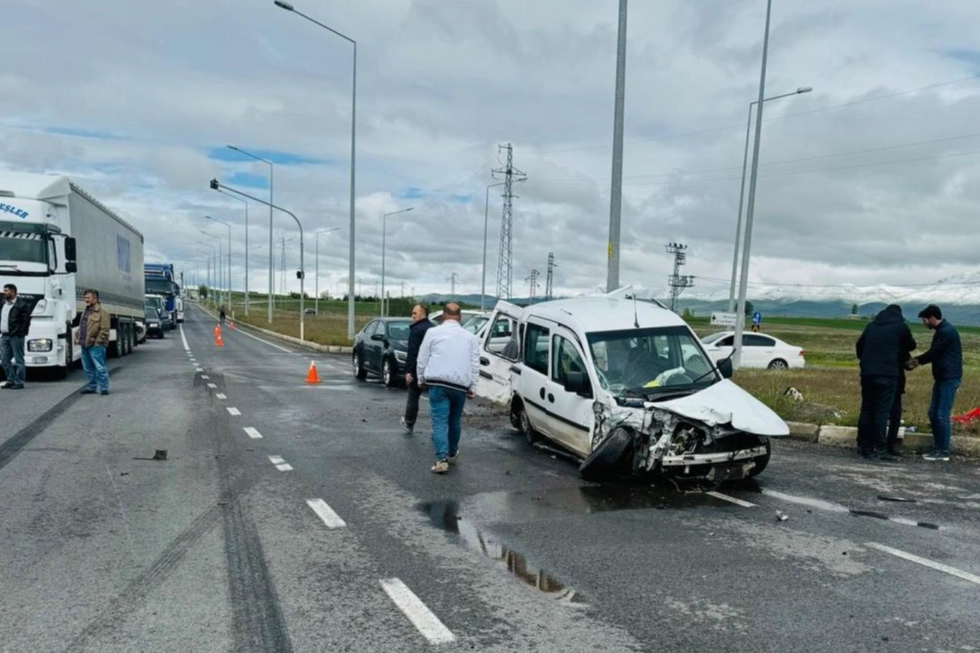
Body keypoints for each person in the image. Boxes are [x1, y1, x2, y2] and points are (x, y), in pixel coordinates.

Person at [416, 302, 480, 474]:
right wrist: (473, 385)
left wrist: (420, 379)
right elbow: (475, 363)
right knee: (454, 420)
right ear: (460, 317)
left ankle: (441, 459)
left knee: (439, 421)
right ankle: (452, 452)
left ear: (443, 316)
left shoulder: (432, 333)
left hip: (438, 383)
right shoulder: (471, 338)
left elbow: (422, 358)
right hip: (460, 385)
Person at [855, 304, 916, 460]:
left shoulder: (871, 326)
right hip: (888, 374)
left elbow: (859, 346)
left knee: (867, 409)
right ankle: (880, 448)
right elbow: (911, 345)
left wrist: (867, 361)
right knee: (882, 411)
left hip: (867, 373)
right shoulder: (900, 326)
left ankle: (864, 446)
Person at [908, 305, 962, 461]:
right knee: (933, 413)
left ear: (932, 318)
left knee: (941, 414)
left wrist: (915, 362)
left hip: (949, 378)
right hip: (942, 378)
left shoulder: (946, 332)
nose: (924, 323)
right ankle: (938, 447)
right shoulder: (942, 331)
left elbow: (934, 353)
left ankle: (943, 451)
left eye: (924, 320)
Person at [401, 303, 433, 434]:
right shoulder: (433, 329)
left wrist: (409, 371)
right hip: (433, 370)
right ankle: (436, 427)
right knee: (434, 399)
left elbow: (413, 352)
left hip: (418, 369)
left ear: (422, 314)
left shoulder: (417, 330)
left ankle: (409, 422)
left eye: (415, 313)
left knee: (414, 395)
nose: (412, 316)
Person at [1, 284, 38, 390]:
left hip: (16, 336)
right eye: (4, 290)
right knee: (4, 360)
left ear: (13, 292)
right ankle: (10, 380)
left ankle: (19, 381)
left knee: (18, 360)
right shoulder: (3, 303)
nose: (4, 292)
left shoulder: (21, 305)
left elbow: (25, 321)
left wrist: (19, 332)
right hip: (4, 335)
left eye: (7, 291)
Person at [79, 289, 112, 396]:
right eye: (85, 298)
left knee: (100, 367)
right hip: (84, 344)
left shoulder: (103, 313)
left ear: (95, 298)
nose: (86, 300)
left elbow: (105, 329)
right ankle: (91, 387)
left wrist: (98, 342)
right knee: (88, 368)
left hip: (96, 345)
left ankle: (104, 388)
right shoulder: (85, 311)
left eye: (88, 298)